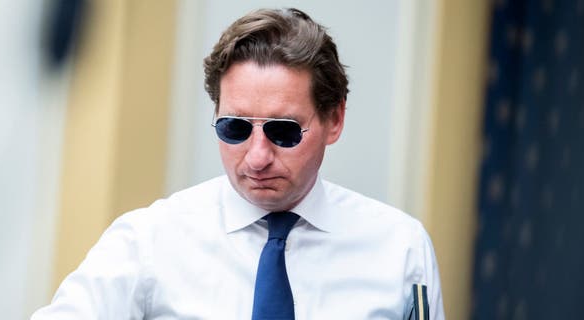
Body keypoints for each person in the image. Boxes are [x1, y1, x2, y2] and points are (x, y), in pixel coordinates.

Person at [32, 7, 444, 320]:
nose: (258, 156)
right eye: (235, 128)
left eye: (283, 131)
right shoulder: (148, 241)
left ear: (334, 119)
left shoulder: (400, 249)